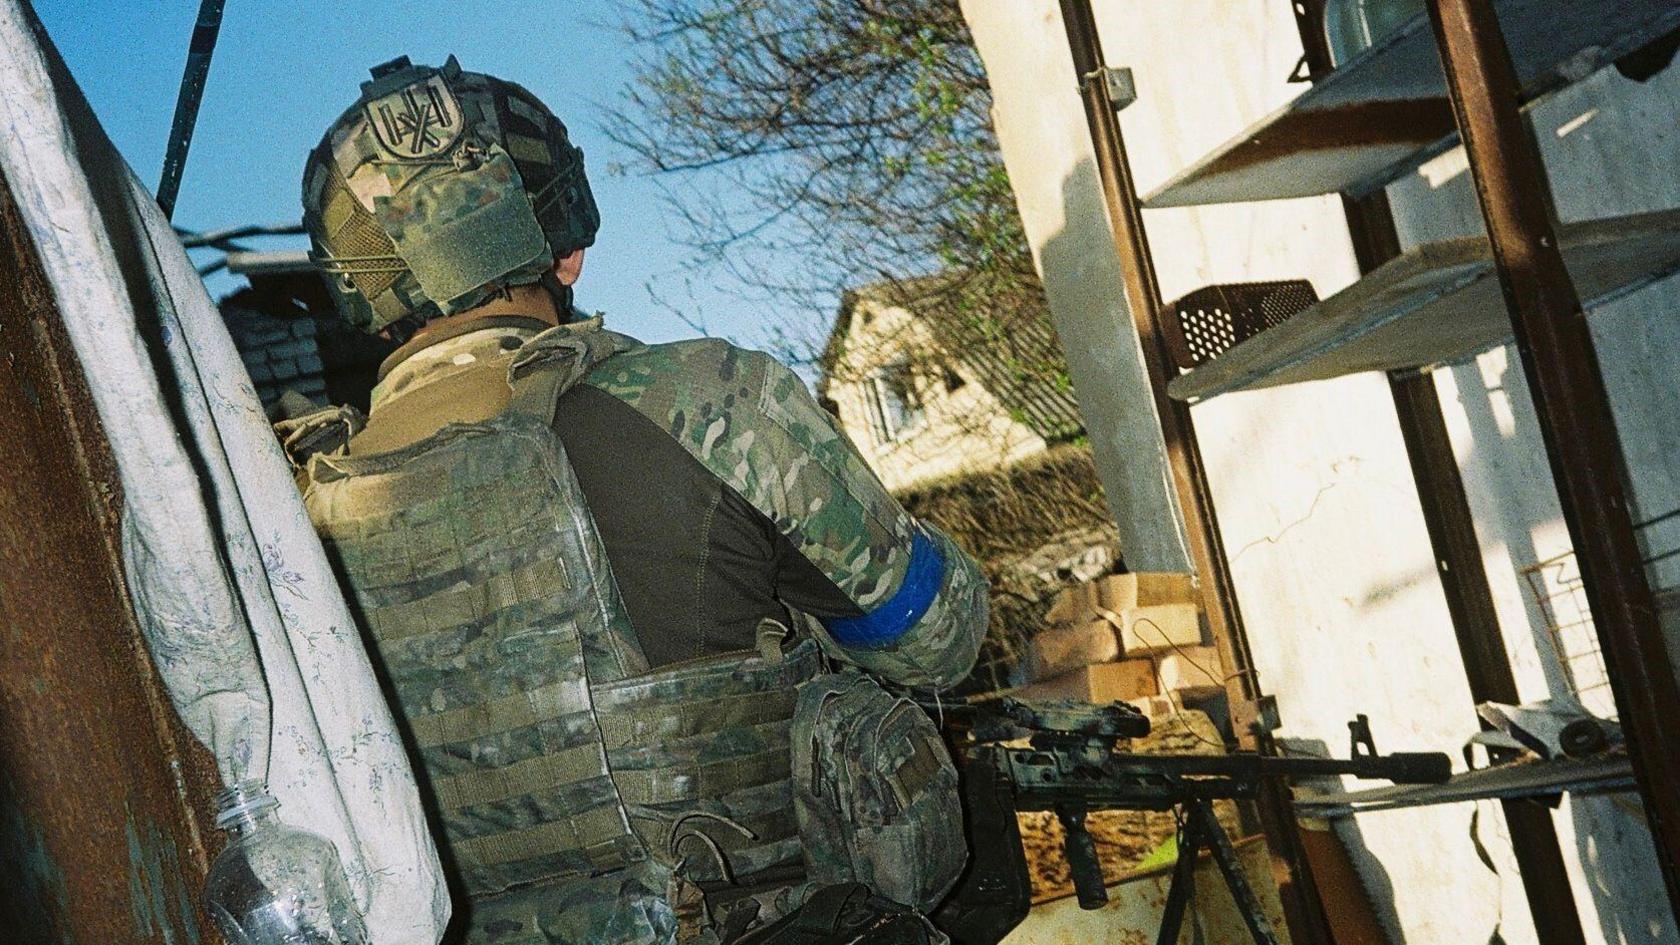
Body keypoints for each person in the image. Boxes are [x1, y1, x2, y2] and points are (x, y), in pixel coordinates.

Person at [291, 55, 988, 945]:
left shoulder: (287, 514)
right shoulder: (710, 400)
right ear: (568, 246)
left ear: (356, 291)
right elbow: (939, 638)